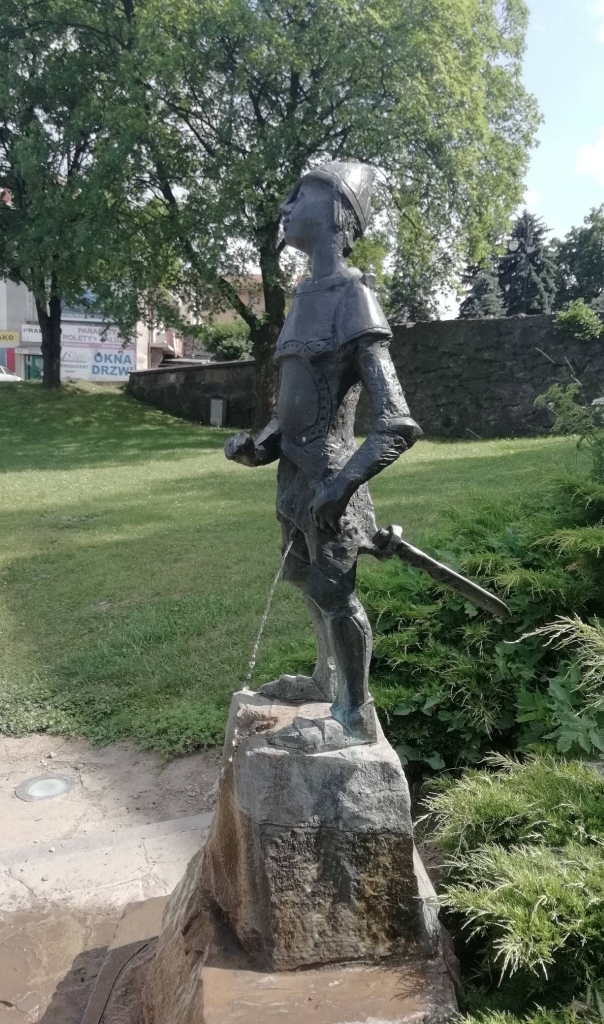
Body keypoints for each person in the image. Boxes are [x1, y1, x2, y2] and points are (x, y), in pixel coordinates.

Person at [224, 161, 422, 753]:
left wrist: (341, 488)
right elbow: (295, 406)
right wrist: (260, 446)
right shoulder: (303, 297)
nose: (285, 208)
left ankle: (354, 715)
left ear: (338, 211)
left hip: (332, 482)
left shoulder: (354, 297)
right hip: (294, 482)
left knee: (337, 596)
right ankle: (326, 679)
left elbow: (396, 423)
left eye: (300, 195)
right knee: (306, 581)